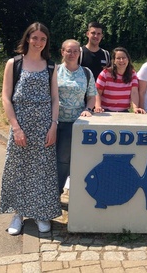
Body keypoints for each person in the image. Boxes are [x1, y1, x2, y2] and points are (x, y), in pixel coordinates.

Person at [0, 22, 61, 235]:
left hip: (44, 125)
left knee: (43, 171)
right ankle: (18, 213)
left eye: (43, 39)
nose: (38, 42)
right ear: (27, 38)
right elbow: (6, 98)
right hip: (21, 124)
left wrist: (53, 126)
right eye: (34, 38)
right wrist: (16, 128)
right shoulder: (14, 63)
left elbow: (55, 99)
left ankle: (40, 213)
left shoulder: (51, 66)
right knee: (18, 169)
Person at [56, 39, 98, 195]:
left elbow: (92, 96)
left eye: (75, 51)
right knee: (56, 160)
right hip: (54, 122)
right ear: (62, 52)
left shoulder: (86, 73)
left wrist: (88, 109)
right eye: (69, 51)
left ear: (79, 53)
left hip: (75, 123)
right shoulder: (55, 70)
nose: (72, 54)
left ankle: (59, 192)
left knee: (65, 159)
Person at [95, 47, 146, 114]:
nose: (121, 60)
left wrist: (135, 108)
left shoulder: (132, 74)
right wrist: (98, 106)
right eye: (118, 58)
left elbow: (134, 92)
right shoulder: (105, 73)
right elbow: (97, 92)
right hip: (106, 111)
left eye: (124, 58)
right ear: (114, 61)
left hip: (124, 112)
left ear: (128, 59)